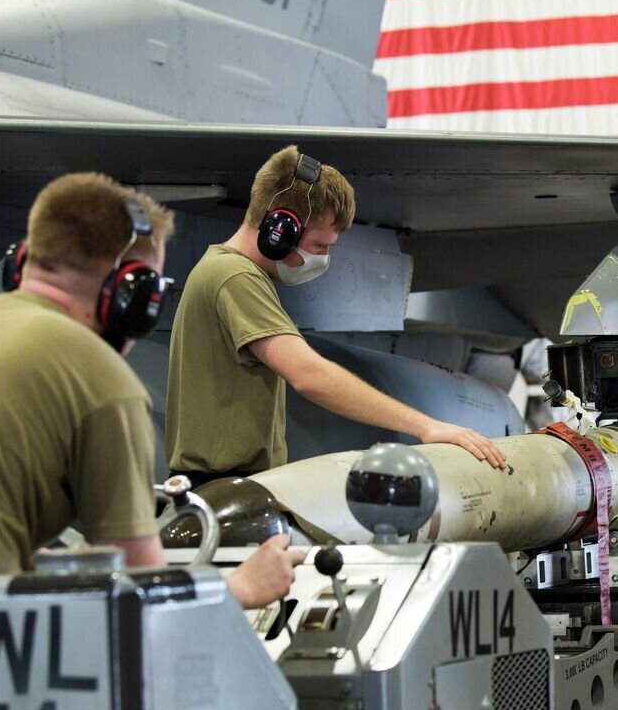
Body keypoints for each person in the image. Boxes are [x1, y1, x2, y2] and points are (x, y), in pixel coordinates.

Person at [0, 174, 305, 710]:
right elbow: (141, 597)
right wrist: (241, 588)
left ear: (23, 263)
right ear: (131, 296)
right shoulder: (97, 376)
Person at [165, 145, 505, 485]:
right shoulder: (235, 277)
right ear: (279, 230)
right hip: (221, 485)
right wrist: (426, 426)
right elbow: (309, 375)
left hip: (226, 484)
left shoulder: (225, 270)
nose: (324, 258)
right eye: (319, 245)